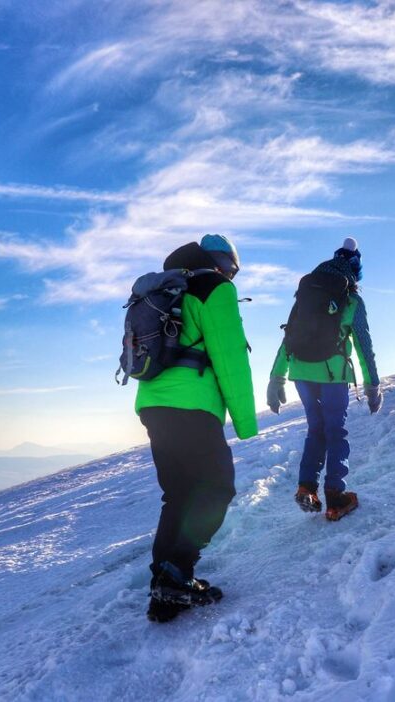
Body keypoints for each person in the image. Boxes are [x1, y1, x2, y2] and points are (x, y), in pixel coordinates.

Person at [136, 233, 257, 623]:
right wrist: (246, 422)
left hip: (153, 405)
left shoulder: (168, 288)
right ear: (224, 263)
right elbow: (230, 358)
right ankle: (176, 574)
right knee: (217, 488)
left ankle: (164, 588)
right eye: (233, 270)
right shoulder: (214, 288)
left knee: (178, 494)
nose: (233, 277)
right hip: (193, 406)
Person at [267, 237, 382, 521]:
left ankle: (307, 486)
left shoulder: (305, 296)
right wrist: (373, 385)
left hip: (301, 373)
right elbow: (364, 344)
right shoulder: (352, 299)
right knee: (335, 431)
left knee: (315, 429)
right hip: (332, 374)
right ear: (355, 271)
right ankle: (335, 497)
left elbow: (289, 338)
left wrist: (276, 378)